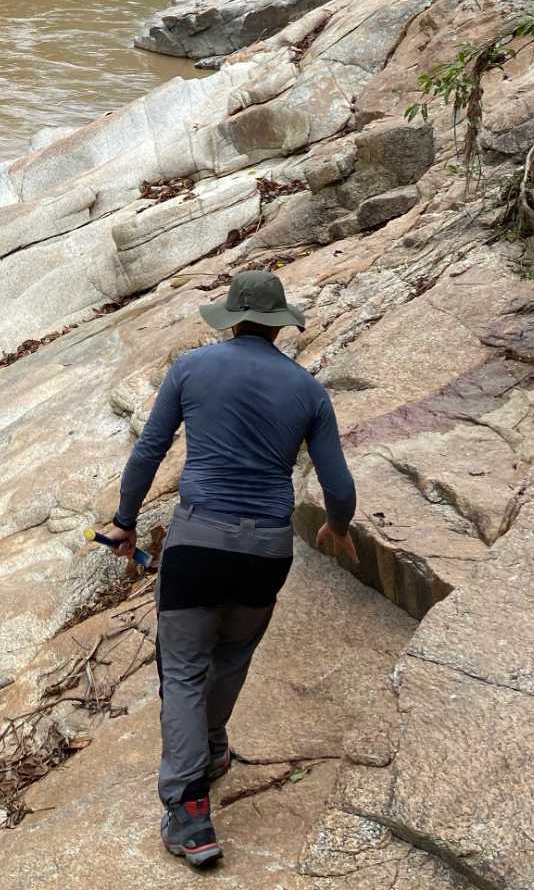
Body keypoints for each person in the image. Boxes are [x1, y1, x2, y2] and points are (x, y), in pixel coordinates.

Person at [97, 269, 357, 869]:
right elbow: (339, 487)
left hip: (197, 544)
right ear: (279, 326)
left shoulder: (192, 368)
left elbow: (149, 451)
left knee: (184, 671)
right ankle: (212, 750)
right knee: (232, 655)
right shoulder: (309, 391)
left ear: (232, 319)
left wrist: (125, 520)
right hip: (266, 551)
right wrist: (336, 528)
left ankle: (189, 812)